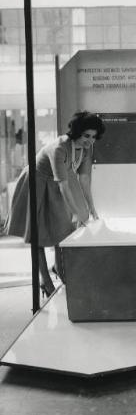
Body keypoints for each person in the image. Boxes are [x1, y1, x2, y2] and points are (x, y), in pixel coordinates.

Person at [5, 111, 105, 298]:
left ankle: (59, 269)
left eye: (93, 137)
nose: (90, 140)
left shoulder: (86, 149)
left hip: (57, 183)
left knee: (64, 231)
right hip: (37, 182)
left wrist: (92, 208)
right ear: (76, 132)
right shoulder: (59, 148)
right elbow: (64, 185)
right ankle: (45, 281)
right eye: (86, 136)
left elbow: (84, 180)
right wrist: (75, 213)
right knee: (38, 235)